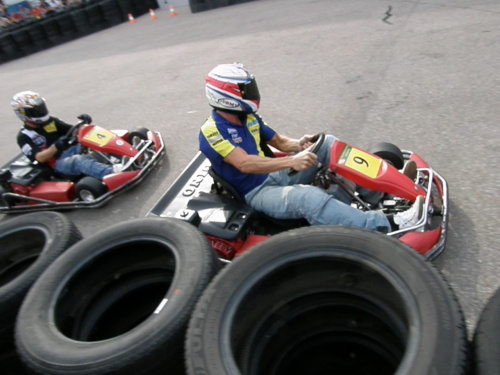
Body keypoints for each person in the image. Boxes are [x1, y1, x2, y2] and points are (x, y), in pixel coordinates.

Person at [199, 63, 423, 233]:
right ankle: (387, 225)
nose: (252, 93)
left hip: (275, 173)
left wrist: (299, 144)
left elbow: (278, 142)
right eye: (245, 90)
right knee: (309, 198)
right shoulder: (211, 131)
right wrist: (291, 161)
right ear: (227, 96)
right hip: (257, 193)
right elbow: (245, 163)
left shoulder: (248, 117)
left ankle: (381, 192)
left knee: (327, 143)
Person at [13, 91, 127, 181]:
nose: (41, 112)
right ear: (24, 114)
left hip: (72, 148)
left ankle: (128, 156)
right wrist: (56, 147)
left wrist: (83, 124)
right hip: (58, 163)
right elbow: (39, 158)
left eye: (41, 108)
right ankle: (114, 172)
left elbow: (72, 131)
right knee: (78, 160)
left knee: (93, 137)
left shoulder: (50, 121)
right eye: (36, 111)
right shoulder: (24, 136)